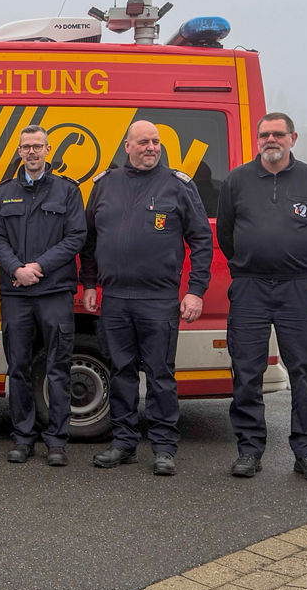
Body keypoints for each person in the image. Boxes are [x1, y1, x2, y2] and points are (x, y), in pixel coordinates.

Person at [79, 120, 212, 475]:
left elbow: (201, 241)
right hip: (116, 298)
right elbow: (89, 240)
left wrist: (196, 290)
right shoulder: (105, 185)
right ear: (127, 146)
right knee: (121, 372)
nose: (152, 147)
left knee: (160, 375)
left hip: (159, 298)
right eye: (144, 142)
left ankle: (164, 447)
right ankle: (123, 442)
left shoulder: (178, 186)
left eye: (155, 141)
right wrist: (89, 283)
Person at [216, 112, 307, 482]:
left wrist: (299, 263)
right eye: (264, 134)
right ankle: (249, 450)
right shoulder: (237, 180)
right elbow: (227, 234)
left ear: (293, 138)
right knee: (247, 371)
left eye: (278, 134)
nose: (271, 140)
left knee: (304, 371)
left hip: (297, 286)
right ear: (258, 139)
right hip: (250, 287)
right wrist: (247, 265)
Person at [0, 125, 87, 467]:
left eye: (37, 146)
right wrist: (17, 269)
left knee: (57, 368)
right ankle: (23, 438)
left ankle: (57, 441)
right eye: (25, 147)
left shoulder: (67, 191)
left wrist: (38, 267)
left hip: (54, 293)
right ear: (18, 152)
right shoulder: (3, 193)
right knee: (17, 367)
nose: (31, 152)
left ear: (48, 150)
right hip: (16, 293)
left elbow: (76, 237)